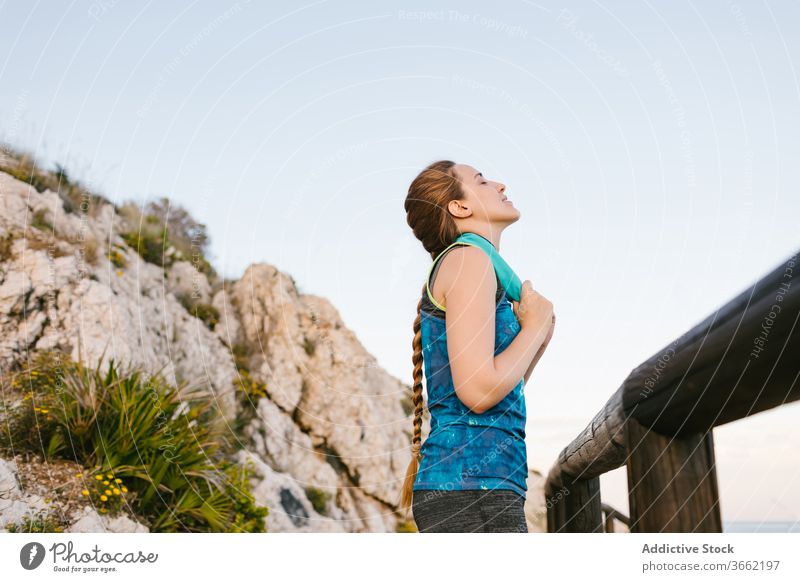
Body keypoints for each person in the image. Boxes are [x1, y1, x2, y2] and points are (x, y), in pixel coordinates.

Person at [399, 160, 555, 532]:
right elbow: (479, 392)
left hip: (482, 489)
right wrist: (533, 328)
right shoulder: (470, 260)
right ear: (460, 207)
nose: (500, 184)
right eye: (482, 181)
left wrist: (537, 336)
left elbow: (501, 391)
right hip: (472, 491)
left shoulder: (478, 266)